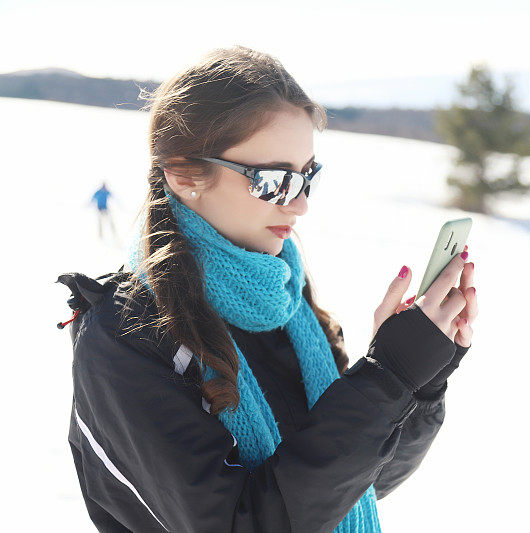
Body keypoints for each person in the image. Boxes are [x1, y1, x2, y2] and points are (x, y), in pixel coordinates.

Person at [56, 46, 478, 532]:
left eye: (307, 178)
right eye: (274, 181)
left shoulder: (289, 305)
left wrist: (416, 383)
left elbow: (353, 489)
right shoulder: (125, 334)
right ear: (184, 172)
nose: (299, 207)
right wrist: (386, 380)